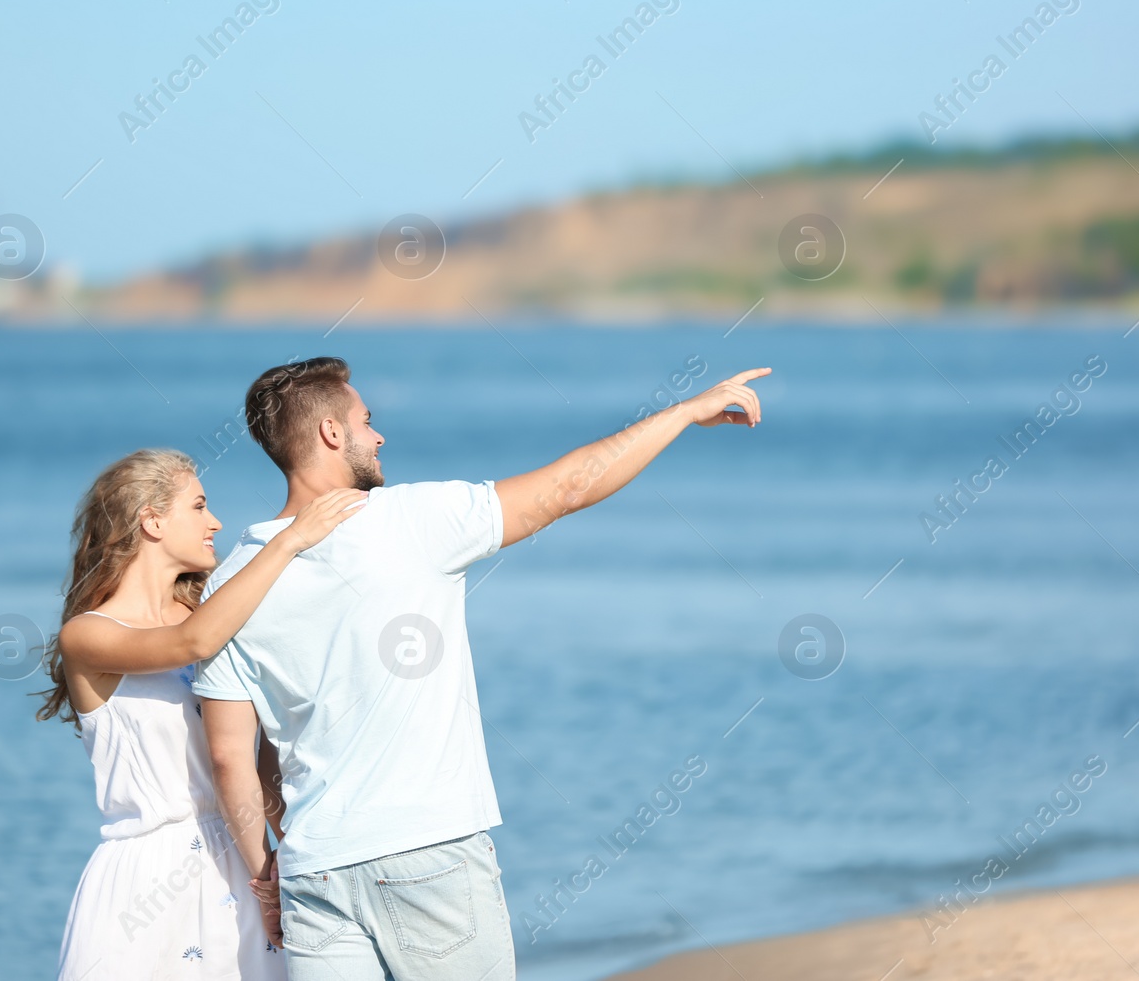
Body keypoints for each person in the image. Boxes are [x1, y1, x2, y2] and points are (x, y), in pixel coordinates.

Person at [196, 356, 769, 981]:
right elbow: (568, 487)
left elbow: (234, 760)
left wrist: (265, 875)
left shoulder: (231, 583)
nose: (378, 436)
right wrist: (683, 412)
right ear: (332, 434)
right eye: (366, 421)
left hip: (315, 871)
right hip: (428, 853)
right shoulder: (409, 521)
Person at [40, 447, 365, 980]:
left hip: (243, 861)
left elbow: (258, 758)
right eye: (198, 506)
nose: (215, 521)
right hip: (147, 878)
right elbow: (193, 641)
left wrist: (282, 858)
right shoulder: (89, 635)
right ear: (151, 520)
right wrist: (290, 540)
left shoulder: (204, 614)